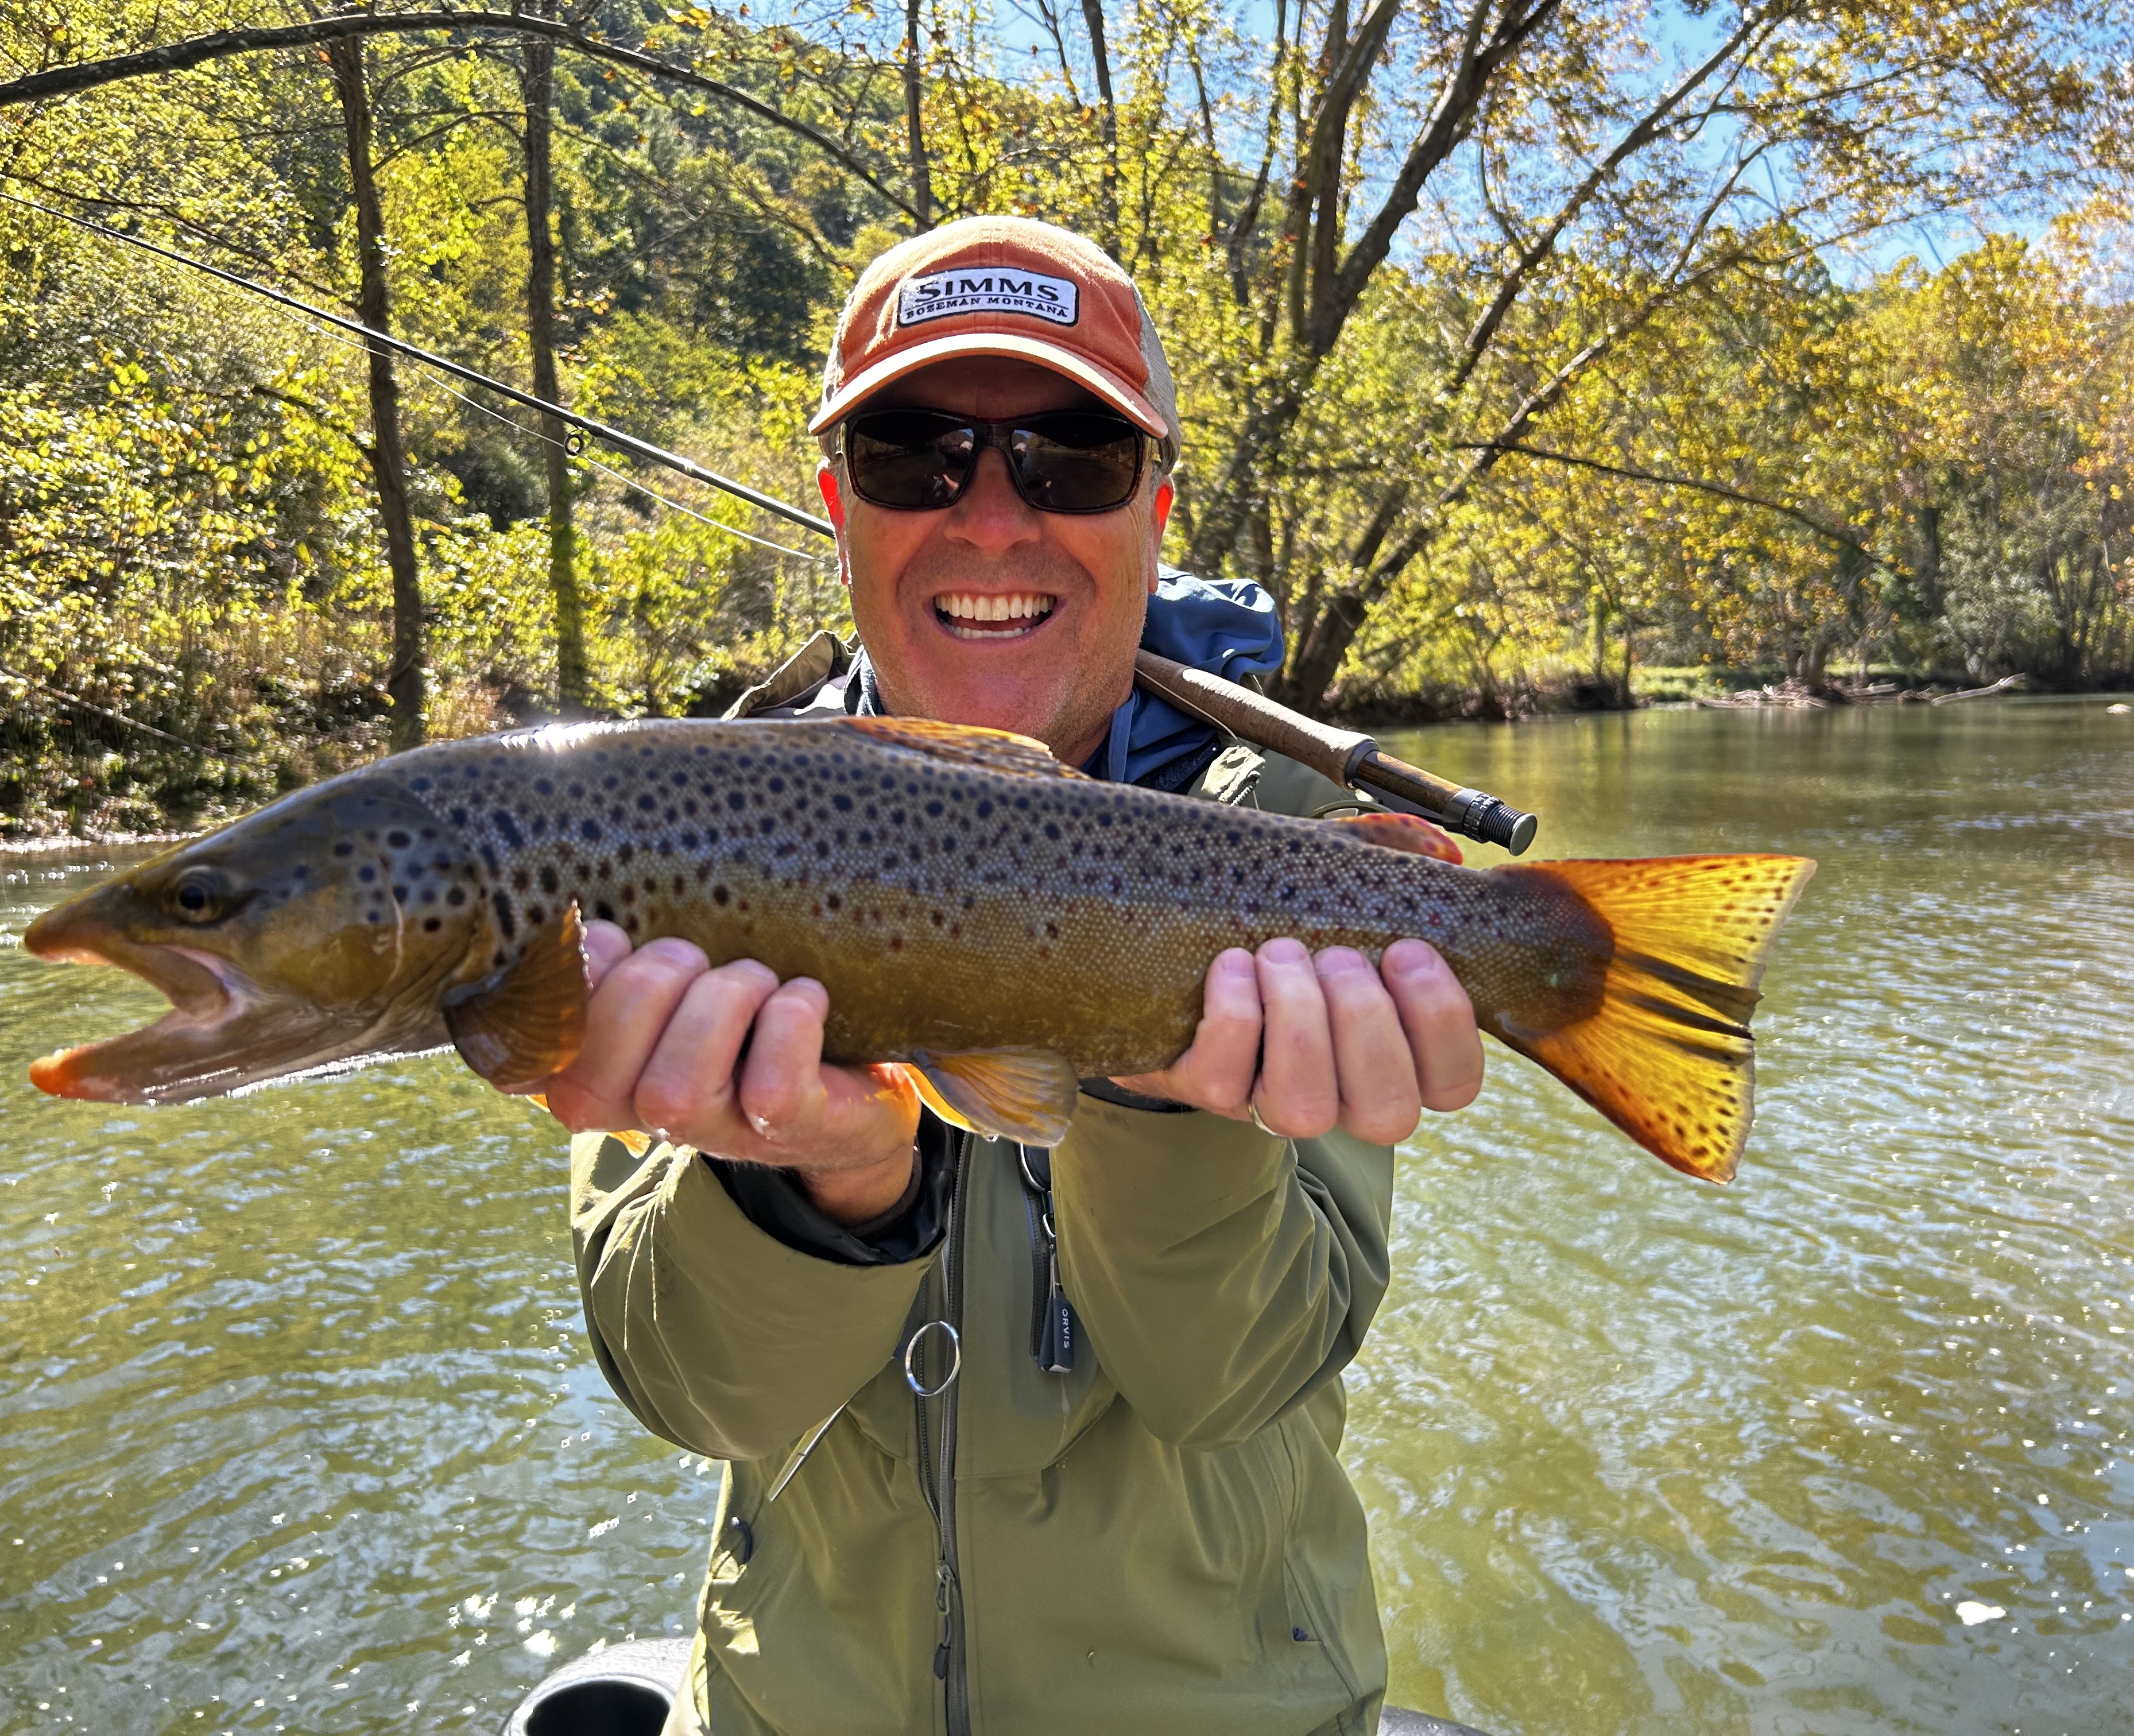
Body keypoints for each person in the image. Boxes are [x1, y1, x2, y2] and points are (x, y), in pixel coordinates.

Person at [534, 216, 1485, 1736]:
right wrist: (819, 1188)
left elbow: (1237, 1384)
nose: (991, 519)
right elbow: (698, 1398)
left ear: (1157, 510)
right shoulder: (668, 838)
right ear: (835, 502)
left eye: (1072, 458)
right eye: (918, 454)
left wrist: (1170, 1106)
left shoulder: (1291, 862)